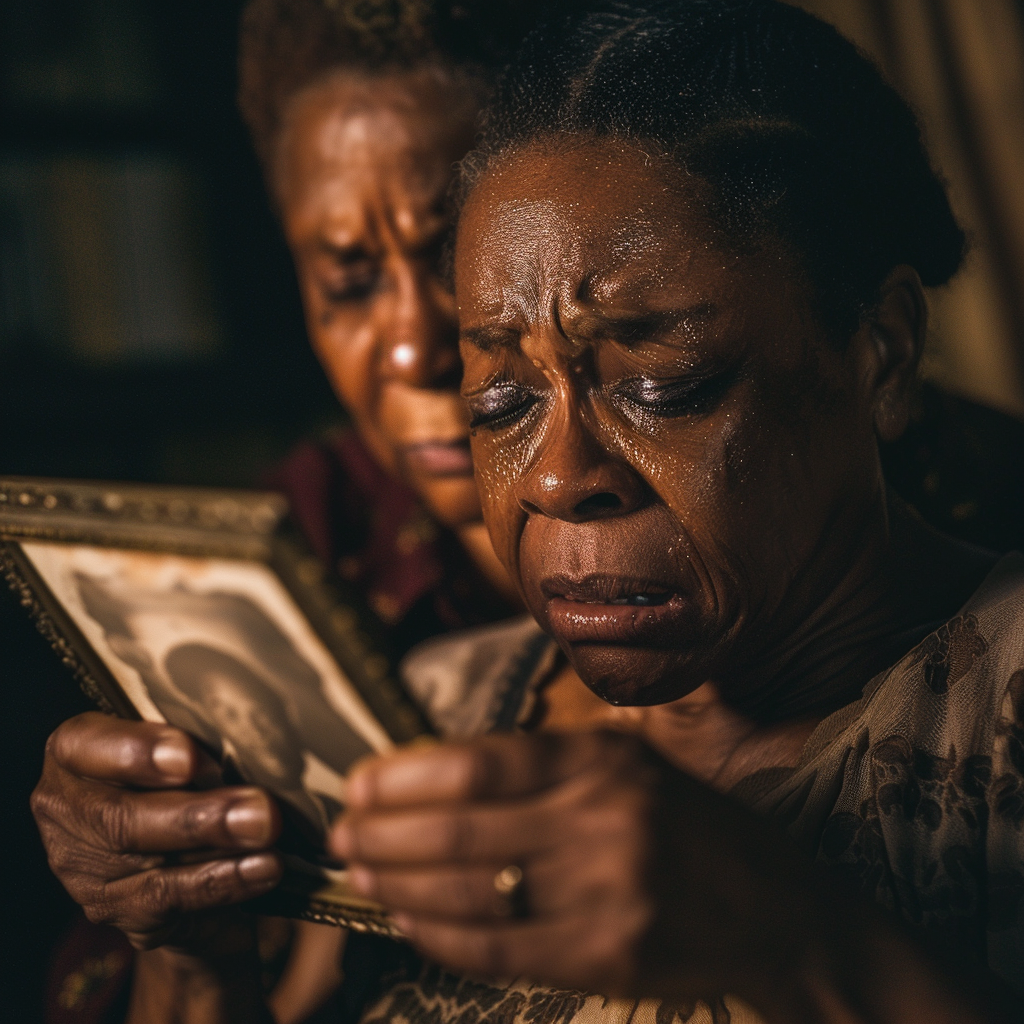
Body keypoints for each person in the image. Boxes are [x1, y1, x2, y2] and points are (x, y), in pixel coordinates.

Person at [28, 0, 1024, 1022]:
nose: (555, 476)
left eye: (660, 382)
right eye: (500, 401)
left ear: (885, 351)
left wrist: (797, 941)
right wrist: (194, 957)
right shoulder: (432, 719)